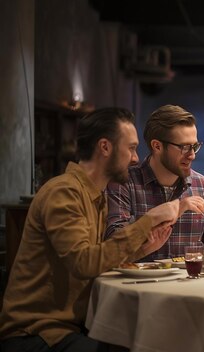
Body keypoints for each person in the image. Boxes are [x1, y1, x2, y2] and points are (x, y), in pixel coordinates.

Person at [0, 108, 181, 352]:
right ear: (105, 147)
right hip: (35, 332)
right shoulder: (63, 192)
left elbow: (98, 258)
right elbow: (83, 263)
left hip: (72, 326)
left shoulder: (97, 195)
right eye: (131, 148)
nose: (136, 158)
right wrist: (150, 218)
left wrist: (144, 249)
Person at [106, 105, 204, 261]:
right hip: (139, 283)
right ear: (157, 146)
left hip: (190, 283)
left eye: (195, 146)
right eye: (184, 147)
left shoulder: (201, 186)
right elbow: (114, 244)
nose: (192, 155)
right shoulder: (124, 183)